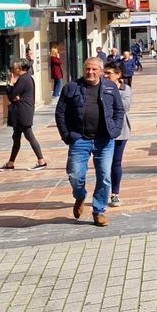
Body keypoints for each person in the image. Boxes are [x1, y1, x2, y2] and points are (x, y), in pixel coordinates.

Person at [54, 57, 126, 227]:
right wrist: (67, 135)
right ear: (83, 70)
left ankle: (98, 211)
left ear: (101, 71)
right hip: (79, 139)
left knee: (105, 177)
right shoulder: (71, 87)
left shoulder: (110, 87)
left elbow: (119, 110)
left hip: (104, 140)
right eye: (88, 69)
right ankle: (80, 196)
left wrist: (115, 130)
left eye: (94, 69)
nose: (90, 72)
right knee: (75, 175)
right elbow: (60, 113)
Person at [0, 59, 47, 171]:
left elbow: (11, 95)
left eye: (14, 68)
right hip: (22, 111)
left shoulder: (23, 79)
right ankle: (10, 163)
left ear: (20, 69)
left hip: (23, 112)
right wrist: (16, 96)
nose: (12, 70)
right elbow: (16, 95)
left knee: (29, 136)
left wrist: (10, 84)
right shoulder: (27, 78)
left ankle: (41, 161)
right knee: (16, 137)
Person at [101, 63, 131, 207]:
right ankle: (102, 192)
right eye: (104, 73)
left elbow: (124, 107)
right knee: (103, 164)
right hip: (103, 130)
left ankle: (115, 193)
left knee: (116, 162)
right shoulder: (101, 87)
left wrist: (110, 97)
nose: (105, 76)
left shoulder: (125, 89)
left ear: (118, 74)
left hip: (120, 130)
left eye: (109, 73)